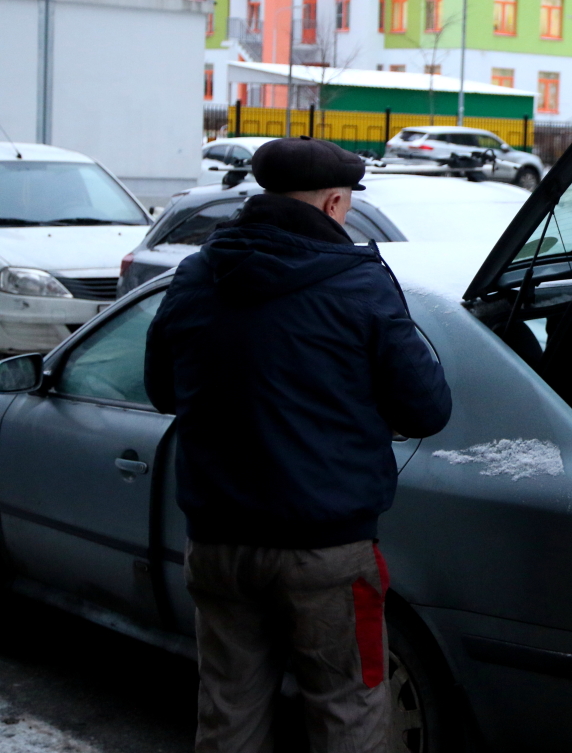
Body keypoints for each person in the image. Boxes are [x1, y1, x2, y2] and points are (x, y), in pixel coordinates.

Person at [144, 136, 452, 752]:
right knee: (349, 708)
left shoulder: (198, 274)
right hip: (327, 547)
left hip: (219, 541)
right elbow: (427, 409)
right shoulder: (360, 284)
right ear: (335, 204)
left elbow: (160, 388)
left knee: (229, 707)